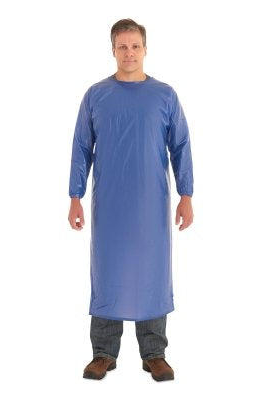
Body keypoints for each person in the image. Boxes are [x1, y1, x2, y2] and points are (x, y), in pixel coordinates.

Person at [68, 18, 194, 382]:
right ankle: (103, 352)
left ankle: (154, 353)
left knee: (151, 271)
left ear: (145, 49)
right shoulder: (96, 95)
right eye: (122, 46)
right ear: (113, 50)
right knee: (108, 270)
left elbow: (181, 145)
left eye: (135, 46)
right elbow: (81, 147)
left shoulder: (165, 96)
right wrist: (75, 195)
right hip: (109, 203)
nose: (129, 53)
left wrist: (186, 194)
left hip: (151, 203)